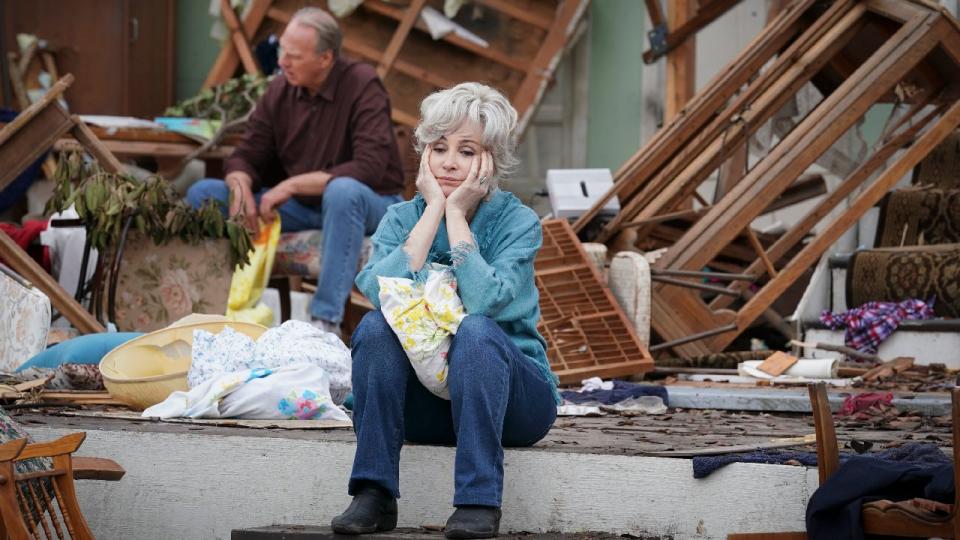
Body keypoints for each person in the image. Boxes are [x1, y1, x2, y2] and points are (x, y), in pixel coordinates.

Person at [331, 82, 559, 539]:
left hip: (514, 403)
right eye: (439, 148)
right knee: (376, 327)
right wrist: (433, 209)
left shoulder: (519, 223)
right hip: (429, 405)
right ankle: (373, 494)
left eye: (467, 150)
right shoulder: (402, 218)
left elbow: (484, 302)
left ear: (490, 160)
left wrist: (457, 217)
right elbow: (377, 291)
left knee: (474, 330)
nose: (450, 162)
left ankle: (478, 502)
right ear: (423, 155)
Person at [185, 7, 405, 336]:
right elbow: (247, 154)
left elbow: (369, 167)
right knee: (202, 194)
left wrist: (292, 185)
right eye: (282, 50)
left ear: (326, 58)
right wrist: (240, 186)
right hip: (305, 210)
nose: (282, 61)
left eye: (294, 55)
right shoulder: (280, 89)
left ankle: (323, 324)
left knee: (342, 191)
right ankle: (215, 310)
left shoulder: (362, 84)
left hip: (370, 203)